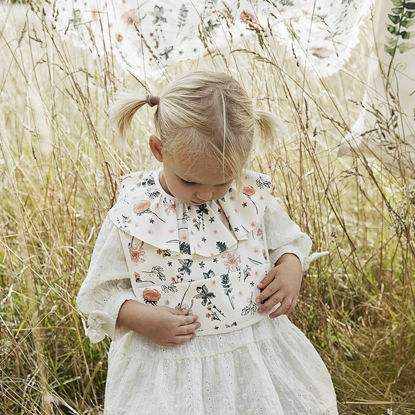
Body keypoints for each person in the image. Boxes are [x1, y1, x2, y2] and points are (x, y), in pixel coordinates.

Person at [76, 71, 338, 414]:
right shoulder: (134, 215)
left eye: (221, 182)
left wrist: (290, 266)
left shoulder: (246, 198)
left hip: (254, 350)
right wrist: (142, 318)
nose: (206, 194)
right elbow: (99, 293)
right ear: (159, 149)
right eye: (191, 181)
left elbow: (288, 241)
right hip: (168, 367)